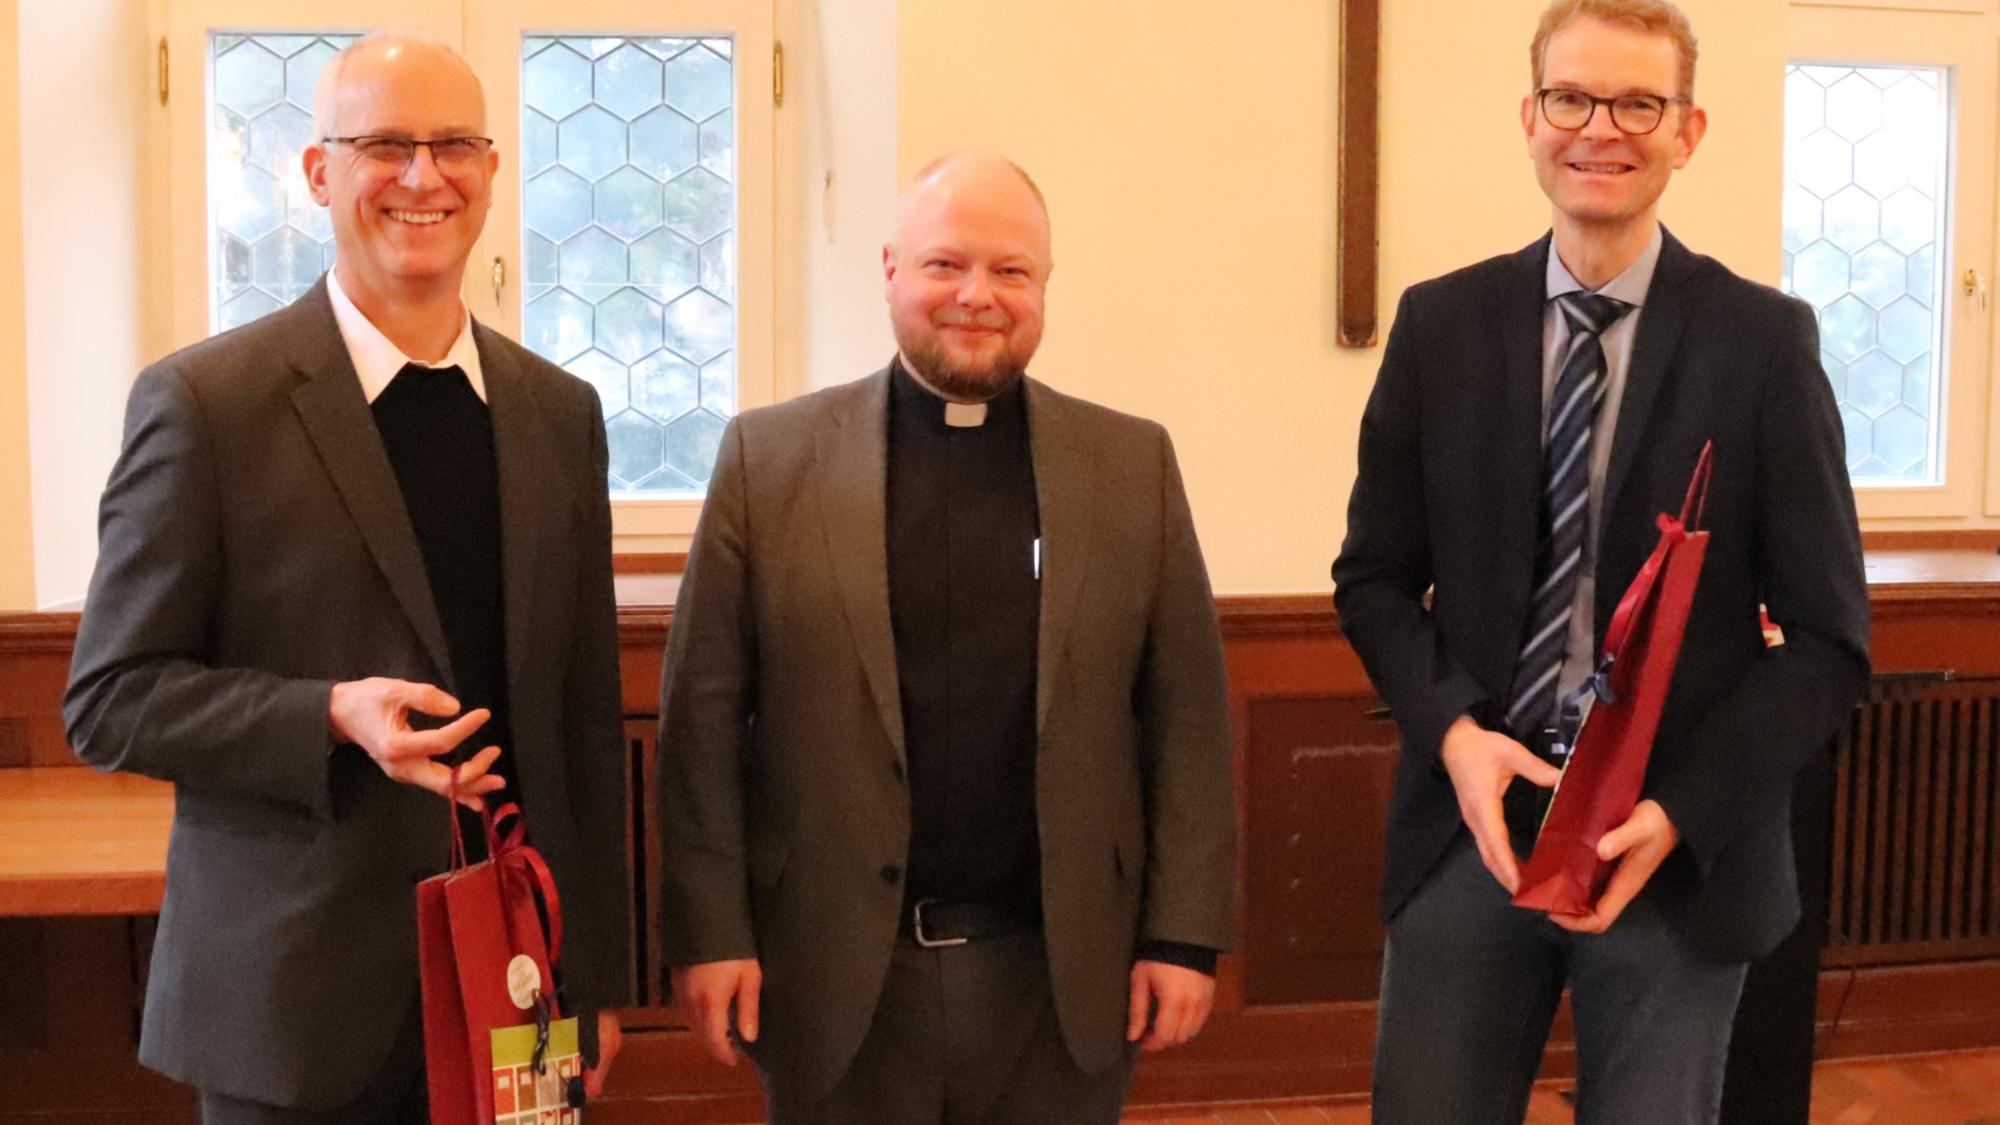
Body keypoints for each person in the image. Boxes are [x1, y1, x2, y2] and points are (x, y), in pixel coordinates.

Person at [64, 32, 627, 1124]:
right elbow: (108, 700)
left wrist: (587, 977)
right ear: (320, 173)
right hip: (295, 1002)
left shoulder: (560, 414)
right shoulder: (206, 405)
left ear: (492, 171)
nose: (424, 177)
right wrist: (328, 713)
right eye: (384, 145)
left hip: (515, 985)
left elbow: (582, 723)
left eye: (453, 145)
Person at [1331, 1, 1870, 1121]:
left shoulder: (1763, 345)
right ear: (1529, 117)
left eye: (1638, 102)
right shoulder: (1440, 327)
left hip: (1673, 857)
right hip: (1470, 831)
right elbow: (1373, 579)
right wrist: (1456, 735)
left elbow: (1824, 643)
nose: (1600, 130)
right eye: (1572, 97)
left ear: (1688, 129)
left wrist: (1679, 809)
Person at [657, 151, 1237, 1124]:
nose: (977, 296)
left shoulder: (1128, 464)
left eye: (1010, 271)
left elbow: (1183, 714)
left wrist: (1181, 935)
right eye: (944, 265)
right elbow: (701, 724)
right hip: (836, 968)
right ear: (888, 270)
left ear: (1043, 286)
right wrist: (709, 933)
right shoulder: (768, 459)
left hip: (1057, 976)